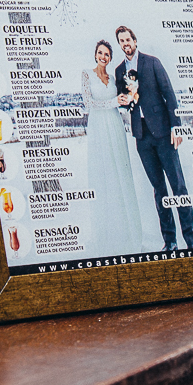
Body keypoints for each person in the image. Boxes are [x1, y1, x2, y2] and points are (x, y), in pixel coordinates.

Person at [113, 26, 193, 251]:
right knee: (159, 190)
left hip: (163, 133)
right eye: (121, 41)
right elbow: (124, 102)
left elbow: (169, 94)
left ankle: (191, 239)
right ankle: (170, 241)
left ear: (135, 40)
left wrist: (176, 127)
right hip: (141, 136)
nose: (125, 44)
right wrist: (121, 100)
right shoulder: (119, 70)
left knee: (178, 186)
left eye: (128, 39)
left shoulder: (152, 62)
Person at [80, 40, 143, 257]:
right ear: (95, 54)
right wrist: (113, 102)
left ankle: (127, 233)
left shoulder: (114, 78)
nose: (103, 57)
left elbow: (121, 101)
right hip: (98, 127)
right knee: (103, 174)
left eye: (107, 54)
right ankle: (107, 235)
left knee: (120, 175)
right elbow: (89, 104)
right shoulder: (86, 74)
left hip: (115, 126)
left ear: (110, 57)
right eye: (100, 53)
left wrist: (127, 99)